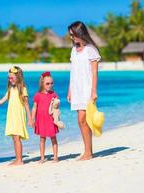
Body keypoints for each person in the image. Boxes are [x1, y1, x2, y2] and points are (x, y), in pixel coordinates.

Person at [67, 21, 101, 161]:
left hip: (87, 89)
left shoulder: (91, 49)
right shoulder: (74, 50)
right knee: (82, 121)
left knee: (82, 119)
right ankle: (88, 151)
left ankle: (88, 152)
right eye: (70, 35)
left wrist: (94, 91)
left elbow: (94, 73)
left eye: (73, 35)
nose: (72, 38)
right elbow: (73, 71)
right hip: (76, 89)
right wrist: (70, 89)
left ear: (80, 33)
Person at [0, 66, 32, 165]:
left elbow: (26, 104)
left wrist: (30, 118)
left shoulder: (23, 89)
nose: (10, 79)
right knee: (14, 137)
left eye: (12, 77)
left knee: (17, 137)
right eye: (9, 78)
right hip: (12, 115)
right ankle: (18, 158)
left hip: (18, 115)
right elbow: (2, 101)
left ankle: (19, 160)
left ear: (18, 77)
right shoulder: (10, 89)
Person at [32, 72, 60, 163]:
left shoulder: (54, 94)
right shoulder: (37, 95)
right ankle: (42, 158)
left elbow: (56, 108)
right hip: (41, 120)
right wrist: (32, 119)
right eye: (47, 83)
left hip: (51, 120)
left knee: (53, 138)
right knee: (42, 138)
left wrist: (57, 119)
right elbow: (34, 107)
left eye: (52, 83)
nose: (50, 85)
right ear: (42, 83)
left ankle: (55, 157)